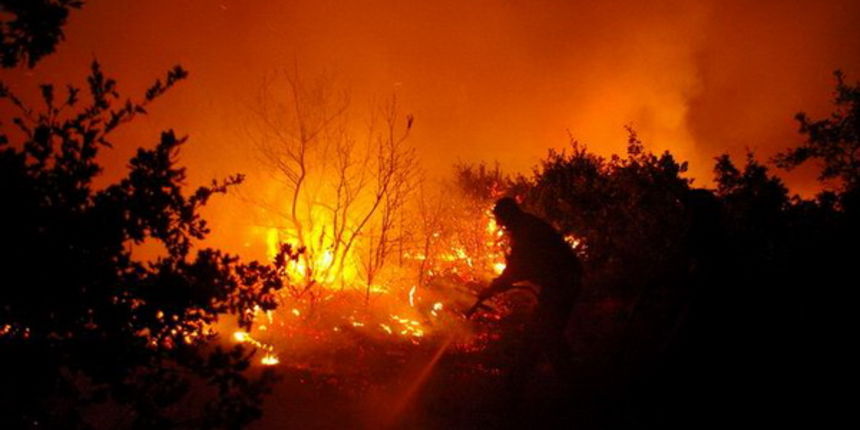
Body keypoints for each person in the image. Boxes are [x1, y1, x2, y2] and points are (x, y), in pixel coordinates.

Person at [474, 197, 583, 404]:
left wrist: (493, 288)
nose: (501, 225)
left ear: (509, 215)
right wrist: (496, 286)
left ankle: (514, 390)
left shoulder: (526, 232)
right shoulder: (526, 226)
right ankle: (575, 386)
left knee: (539, 333)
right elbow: (521, 267)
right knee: (548, 336)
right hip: (558, 285)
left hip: (562, 285)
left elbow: (517, 268)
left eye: (501, 220)